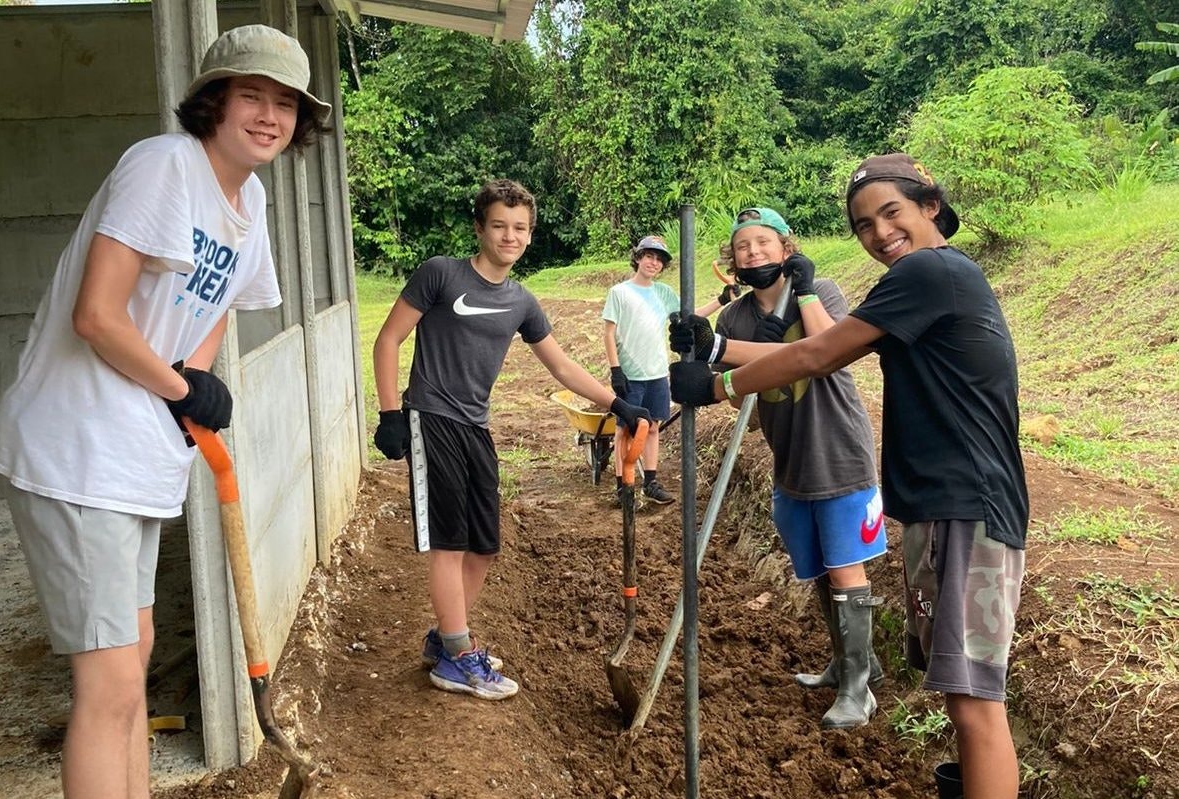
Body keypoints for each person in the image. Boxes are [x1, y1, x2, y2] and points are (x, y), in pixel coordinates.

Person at [0, 25, 331, 799]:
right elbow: (97, 316)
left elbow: (218, 305)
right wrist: (181, 389)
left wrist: (193, 384)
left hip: (134, 457)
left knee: (129, 670)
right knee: (107, 689)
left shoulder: (249, 199)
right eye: (252, 95)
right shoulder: (165, 165)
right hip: (76, 450)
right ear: (213, 101)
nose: (269, 116)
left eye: (284, 103)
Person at [669, 154, 1028, 799]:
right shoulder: (923, 283)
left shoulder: (930, 271)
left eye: (892, 212)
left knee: (977, 705)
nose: (879, 232)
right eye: (863, 224)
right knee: (962, 700)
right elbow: (813, 348)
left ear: (930, 205)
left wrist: (719, 386)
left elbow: (818, 352)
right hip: (940, 507)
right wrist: (718, 350)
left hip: (969, 506)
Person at [372, 179, 652, 701]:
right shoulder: (441, 275)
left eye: (520, 227)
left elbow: (562, 365)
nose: (509, 235)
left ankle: (444, 638)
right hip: (431, 417)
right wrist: (391, 413)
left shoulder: (521, 301)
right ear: (479, 228)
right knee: (450, 543)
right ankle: (457, 656)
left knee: (484, 546)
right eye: (499, 225)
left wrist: (617, 403)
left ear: (530, 234)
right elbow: (388, 338)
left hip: (476, 426)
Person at [690, 207, 887, 729]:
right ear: (731, 260)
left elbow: (826, 350)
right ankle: (854, 662)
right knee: (821, 566)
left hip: (838, 447)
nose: (752, 252)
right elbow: (742, 407)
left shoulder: (823, 292)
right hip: (789, 454)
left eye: (763, 242)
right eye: (742, 246)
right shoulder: (733, 318)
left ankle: (857, 692)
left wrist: (802, 291)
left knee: (845, 564)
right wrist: (705, 363)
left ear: (786, 248)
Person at [602, 236, 729, 506]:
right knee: (625, 429)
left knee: (652, 428)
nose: (654, 262)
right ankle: (622, 488)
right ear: (637, 258)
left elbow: (690, 315)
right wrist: (616, 370)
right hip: (630, 375)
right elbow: (609, 333)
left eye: (659, 259)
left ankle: (650, 482)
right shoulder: (619, 292)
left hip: (657, 374)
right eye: (649, 256)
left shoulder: (664, 293)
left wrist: (721, 300)